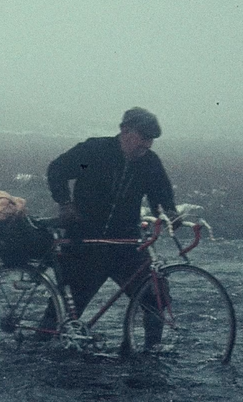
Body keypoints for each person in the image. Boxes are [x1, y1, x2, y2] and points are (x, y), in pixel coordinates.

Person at [46, 107, 180, 336]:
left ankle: (150, 357)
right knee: (61, 316)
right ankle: (33, 355)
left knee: (155, 300)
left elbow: (161, 193)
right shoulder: (94, 152)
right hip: (85, 243)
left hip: (125, 244)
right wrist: (65, 204)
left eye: (151, 140)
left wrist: (170, 213)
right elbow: (57, 170)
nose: (147, 144)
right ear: (124, 130)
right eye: (143, 137)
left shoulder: (149, 163)